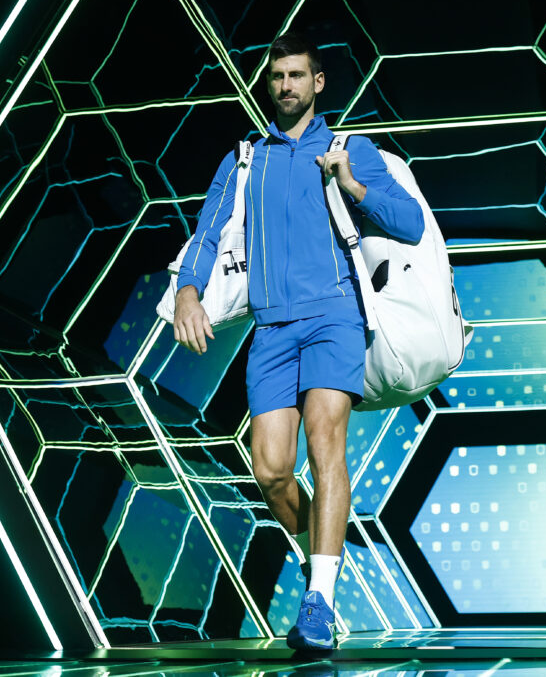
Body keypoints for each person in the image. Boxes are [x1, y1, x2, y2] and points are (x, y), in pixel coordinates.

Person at [172, 33, 424, 650]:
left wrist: (353, 184)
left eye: (297, 75)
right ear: (270, 84)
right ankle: (326, 561)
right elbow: (207, 235)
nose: (286, 85)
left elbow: (411, 223)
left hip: (335, 316)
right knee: (271, 471)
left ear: (319, 83)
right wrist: (187, 292)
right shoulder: (244, 160)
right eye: (277, 76)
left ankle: (319, 602)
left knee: (324, 440)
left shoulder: (348, 148)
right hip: (272, 328)